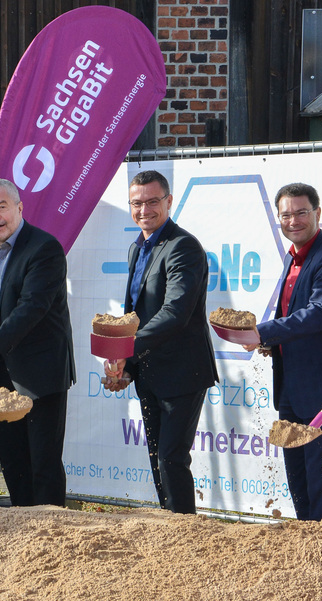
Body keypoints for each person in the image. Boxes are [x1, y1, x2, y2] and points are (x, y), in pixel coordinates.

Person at [241, 183, 322, 521]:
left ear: (317, 214)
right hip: (293, 389)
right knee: (298, 478)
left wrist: (262, 332)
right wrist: (269, 342)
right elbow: (291, 315)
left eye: (300, 212)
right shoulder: (293, 257)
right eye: (286, 214)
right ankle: (307, 551)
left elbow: (319, 314)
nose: (292, 220)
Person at [0, 178, 75, 507]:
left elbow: (31, 308)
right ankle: (21, 531)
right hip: (2, 377)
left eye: (2, 207)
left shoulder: (44, 248)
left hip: (40, 374)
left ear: (20, 208)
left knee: (43, 463)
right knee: (13, 462)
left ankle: (51, 533)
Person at [104, 170, 218, 514]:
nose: (144, 210)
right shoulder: (137, 247)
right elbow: (135, 313)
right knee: (157, 456)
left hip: (183, 372)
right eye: (137, 203)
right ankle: (171, 525)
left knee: (171, 457)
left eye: (153, 201)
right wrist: (128, 363)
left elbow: (176, 312)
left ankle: (184, 531)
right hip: (149, 372)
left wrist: (126, 349)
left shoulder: (183, 247)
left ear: (168, 201)